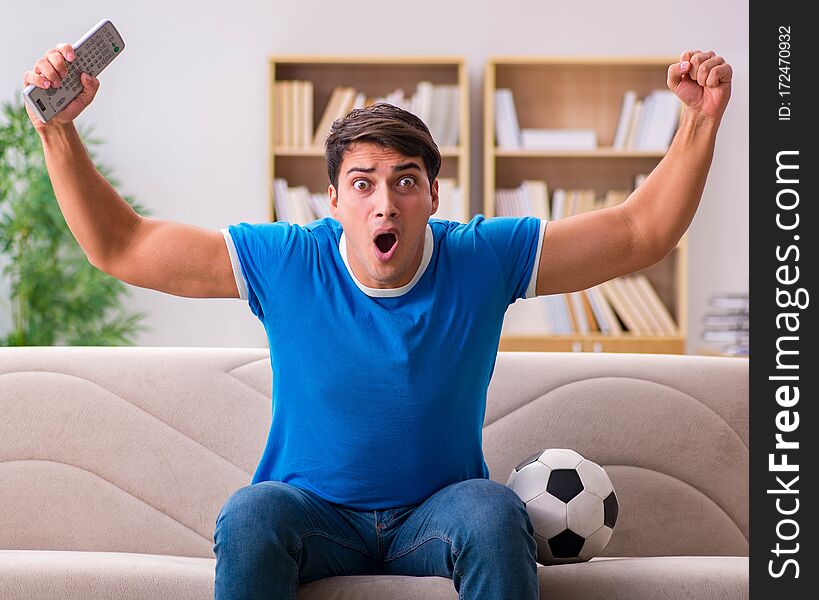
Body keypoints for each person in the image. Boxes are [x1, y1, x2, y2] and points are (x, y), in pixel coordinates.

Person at [23, 45, 732, 600]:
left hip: (436, 518)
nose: (383, 204)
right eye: (362, 183)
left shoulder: (481, 256)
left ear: (431, 195)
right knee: (251, 513)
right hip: (313, 518)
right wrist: (57, 132)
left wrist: (698, 120)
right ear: (332, 199)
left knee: (491, 510)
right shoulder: (286, 260)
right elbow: (122, 246)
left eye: (403, 182)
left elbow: (640, 231)